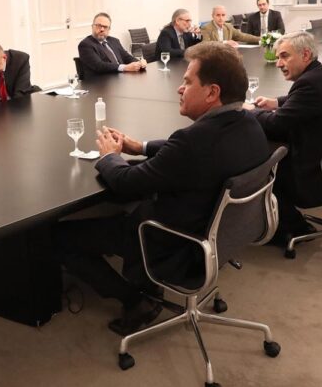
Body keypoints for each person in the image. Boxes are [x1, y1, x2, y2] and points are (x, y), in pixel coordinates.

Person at [56, 42, 270, 336]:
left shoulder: (192, 143)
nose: (179, 89)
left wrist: (109, 157)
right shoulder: (250, 122)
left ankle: (136, 299)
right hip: (225, 234)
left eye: (187, 82)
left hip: (173, 240)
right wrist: (140, 146)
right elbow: (181, 150)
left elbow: (127, 184)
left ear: (212, 92)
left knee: (58, 236)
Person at [246, 32, 322, 238]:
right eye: (277, 57)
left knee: (261, 167)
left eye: (284, 56)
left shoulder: (309, 83)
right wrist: (276, 102)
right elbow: (305, 99)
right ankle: (289, 222)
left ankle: (290, 228)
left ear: (305, 55)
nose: (278, 63)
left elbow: (277, 125)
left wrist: (251, 111)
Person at [78, 12, 146, 78]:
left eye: (105, 27)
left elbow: (126, 57)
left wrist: (139, 62)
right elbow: (99, 66)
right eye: (99, 26)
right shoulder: (85, 45)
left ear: (109, 29)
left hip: (121, 79)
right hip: (101, 83)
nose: (102, 29)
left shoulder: (114, 41)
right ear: (92, 27)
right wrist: (125, 67)